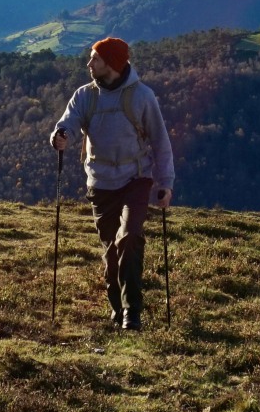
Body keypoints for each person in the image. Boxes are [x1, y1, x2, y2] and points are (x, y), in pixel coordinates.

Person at [49, 35, 175, 330]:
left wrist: (165, 182)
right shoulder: (85, 95)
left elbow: (160, 141)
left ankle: (132, 312)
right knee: (111, 251)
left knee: (129, 238)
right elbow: (68, 122)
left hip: (136, 179)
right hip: (101, 182)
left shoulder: (142, 96)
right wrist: (59, 136)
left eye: (95, 58)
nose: (88, 63)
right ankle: (118, 309)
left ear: (112, 63)